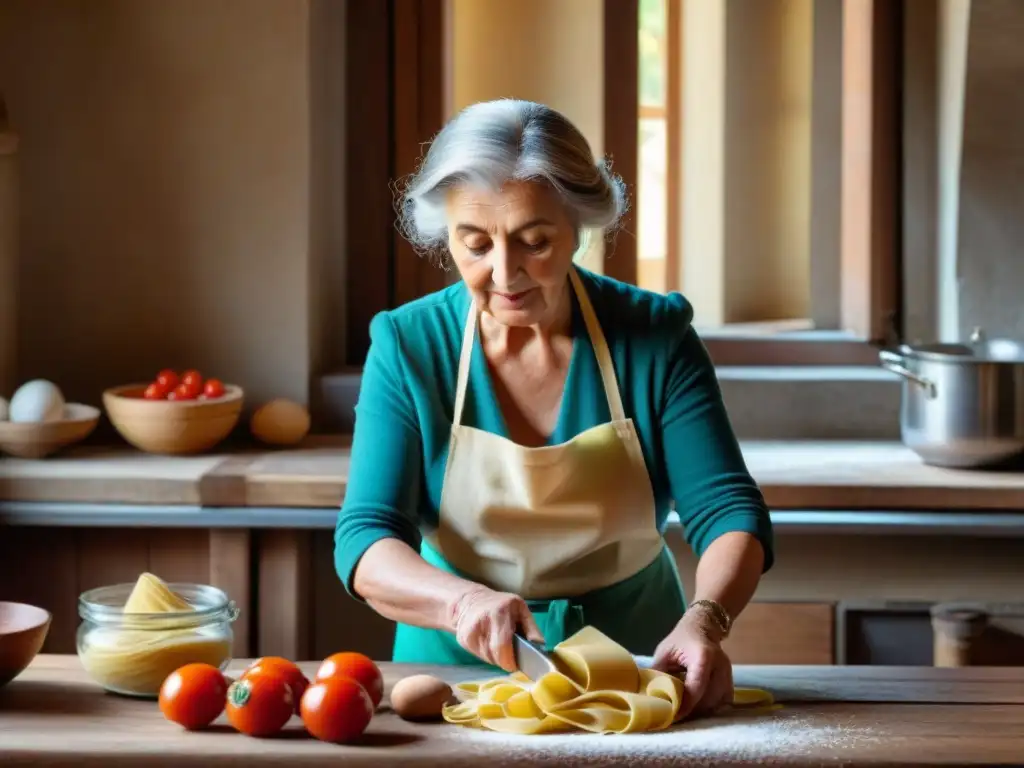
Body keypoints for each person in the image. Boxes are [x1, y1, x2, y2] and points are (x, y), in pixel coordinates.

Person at [334, 99, 774, 719]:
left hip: (636, 666)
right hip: (451, 673)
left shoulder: (653, 336)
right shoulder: (410, 344)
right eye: (476, 243)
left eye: (534, 241)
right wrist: (460, 603)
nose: (504, 272)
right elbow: (366, 536)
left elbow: (728, 509)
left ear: (579, 226)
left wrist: (706, 619)